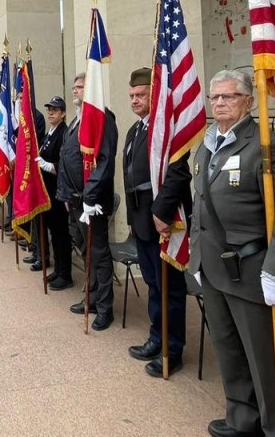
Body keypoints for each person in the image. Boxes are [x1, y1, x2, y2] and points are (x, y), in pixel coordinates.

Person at [188, 70, 275, 437]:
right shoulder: (206, 144)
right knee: (229, 350)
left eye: (229, 96)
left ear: (249, 101)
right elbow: (199, 206)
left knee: (263, 357)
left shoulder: (264, 143)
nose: (219, 103)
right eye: (214, 97)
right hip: (214, 268)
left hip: (252, 269)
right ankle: (242, 418)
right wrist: (196, 256)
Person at [123, 67, 190, 378]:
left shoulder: (165, 130)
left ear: (155, 95)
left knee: (169, 288)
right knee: (153, 284)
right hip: (142, 221)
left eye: (141, 95)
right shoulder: (136, 130)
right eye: (132, 96)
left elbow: (178, 174)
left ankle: (171, 349)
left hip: (162, 221)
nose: (135, 100)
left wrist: (161, 213)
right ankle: (156, 337)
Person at [56, 72, 119, 331]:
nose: (76, 91)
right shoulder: (76, 120)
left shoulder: (103, 117)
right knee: (87, 252)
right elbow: (65, 159)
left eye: (81, 87)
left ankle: (105, 307)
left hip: (92, 202)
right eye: (74, 87)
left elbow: (104, 162)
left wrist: (89, 197)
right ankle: (91, 297)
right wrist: (65, 196)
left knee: (100, 255)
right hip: (75, 200)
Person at [34, 96, 70, 288]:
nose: (50, 113)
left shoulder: (63, 133)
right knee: (54, 234)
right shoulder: (50, 132)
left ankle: (66, 274)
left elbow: (64, 163)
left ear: (63, 113)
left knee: (61, 234)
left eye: (55, 110)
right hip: (47, 191)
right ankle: (58, 270)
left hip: (58, 191)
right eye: (49, 110)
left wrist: (47, 166)